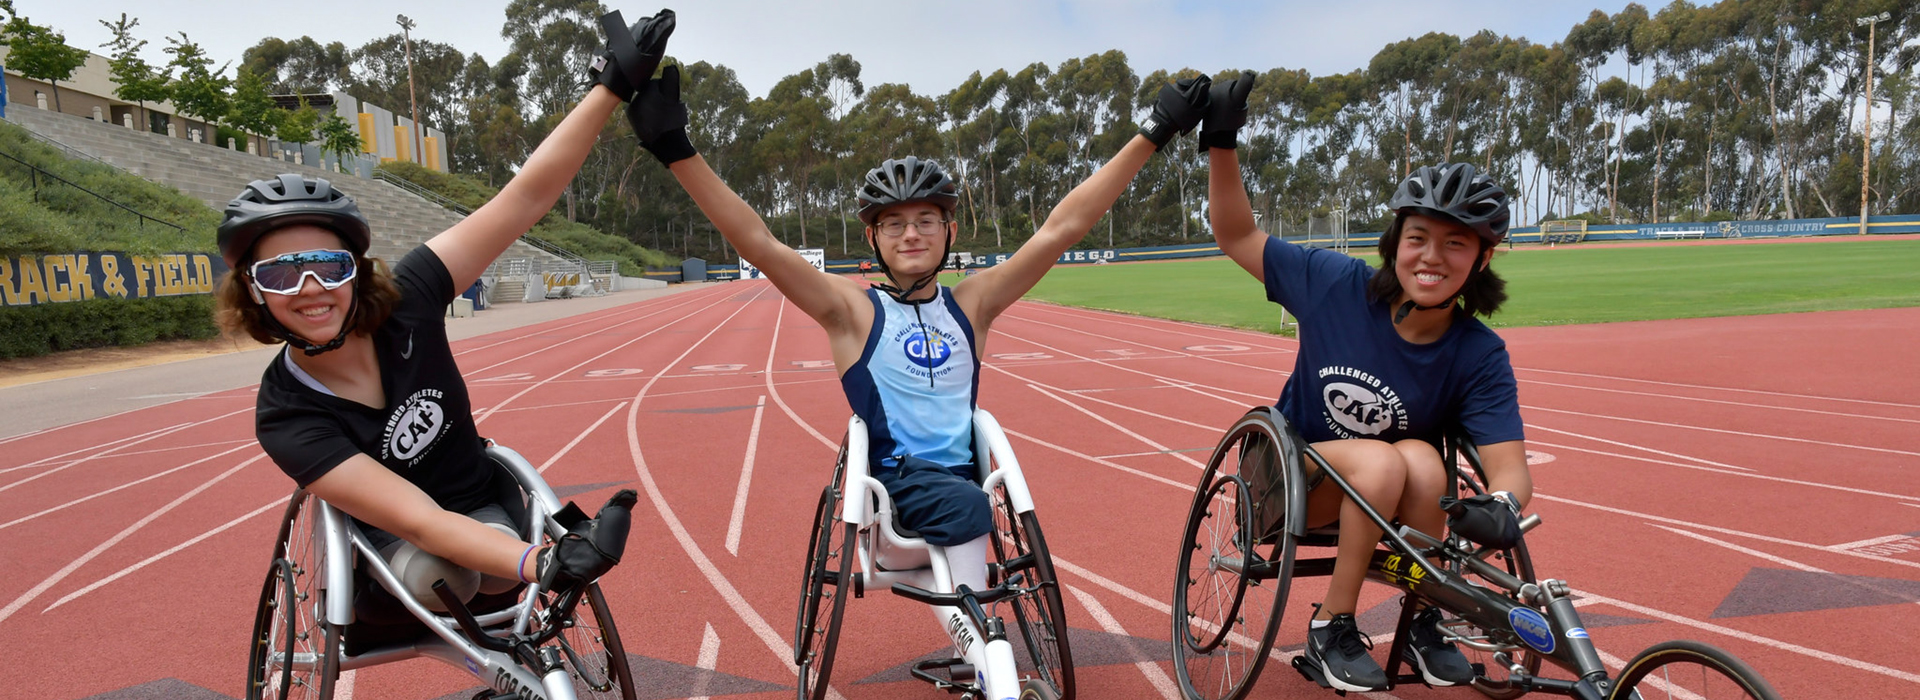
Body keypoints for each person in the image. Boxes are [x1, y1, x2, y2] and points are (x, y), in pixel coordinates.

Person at [627, 62, 1213, 685]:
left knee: (972, 502)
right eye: (895, 223)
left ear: (949, 230)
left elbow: (1061, 229)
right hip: (900, 486)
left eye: (926, 220)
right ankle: (987, 655)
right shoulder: (852, 310)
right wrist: (676, 149)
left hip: (966, 480)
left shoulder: (972, 305)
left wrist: (1153, 131)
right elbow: (761, 244)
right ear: (874, 238)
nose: (912, 233)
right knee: (967, 514)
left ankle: (982, 645)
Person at [214, 9, 677, 612]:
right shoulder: (285, 414)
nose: (309, 287)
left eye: (327, 266)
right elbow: (424, 523)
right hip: (399, 536)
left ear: (355, 269)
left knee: (492, 571)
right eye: (280, 272)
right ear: (253, 290)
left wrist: (610, 87)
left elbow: (524, 199)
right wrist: (544, 561)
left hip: (479, 500)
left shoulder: (411, 297)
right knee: (445, 575)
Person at [1200, 72, 1531, 692]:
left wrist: (1502, 507)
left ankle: (1425, 619)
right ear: (1395, 242)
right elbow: (1237, 234)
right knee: (1384, 463)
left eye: (1455, 244)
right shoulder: (1335, 286)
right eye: (1418, 238)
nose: (1431, 257)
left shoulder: (1479, 353)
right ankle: (1332, 623)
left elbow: (1510, 471)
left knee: (1426, 467)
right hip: (1284, 484)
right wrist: (1222, 142)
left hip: (1392, 496)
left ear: (1481, 259)